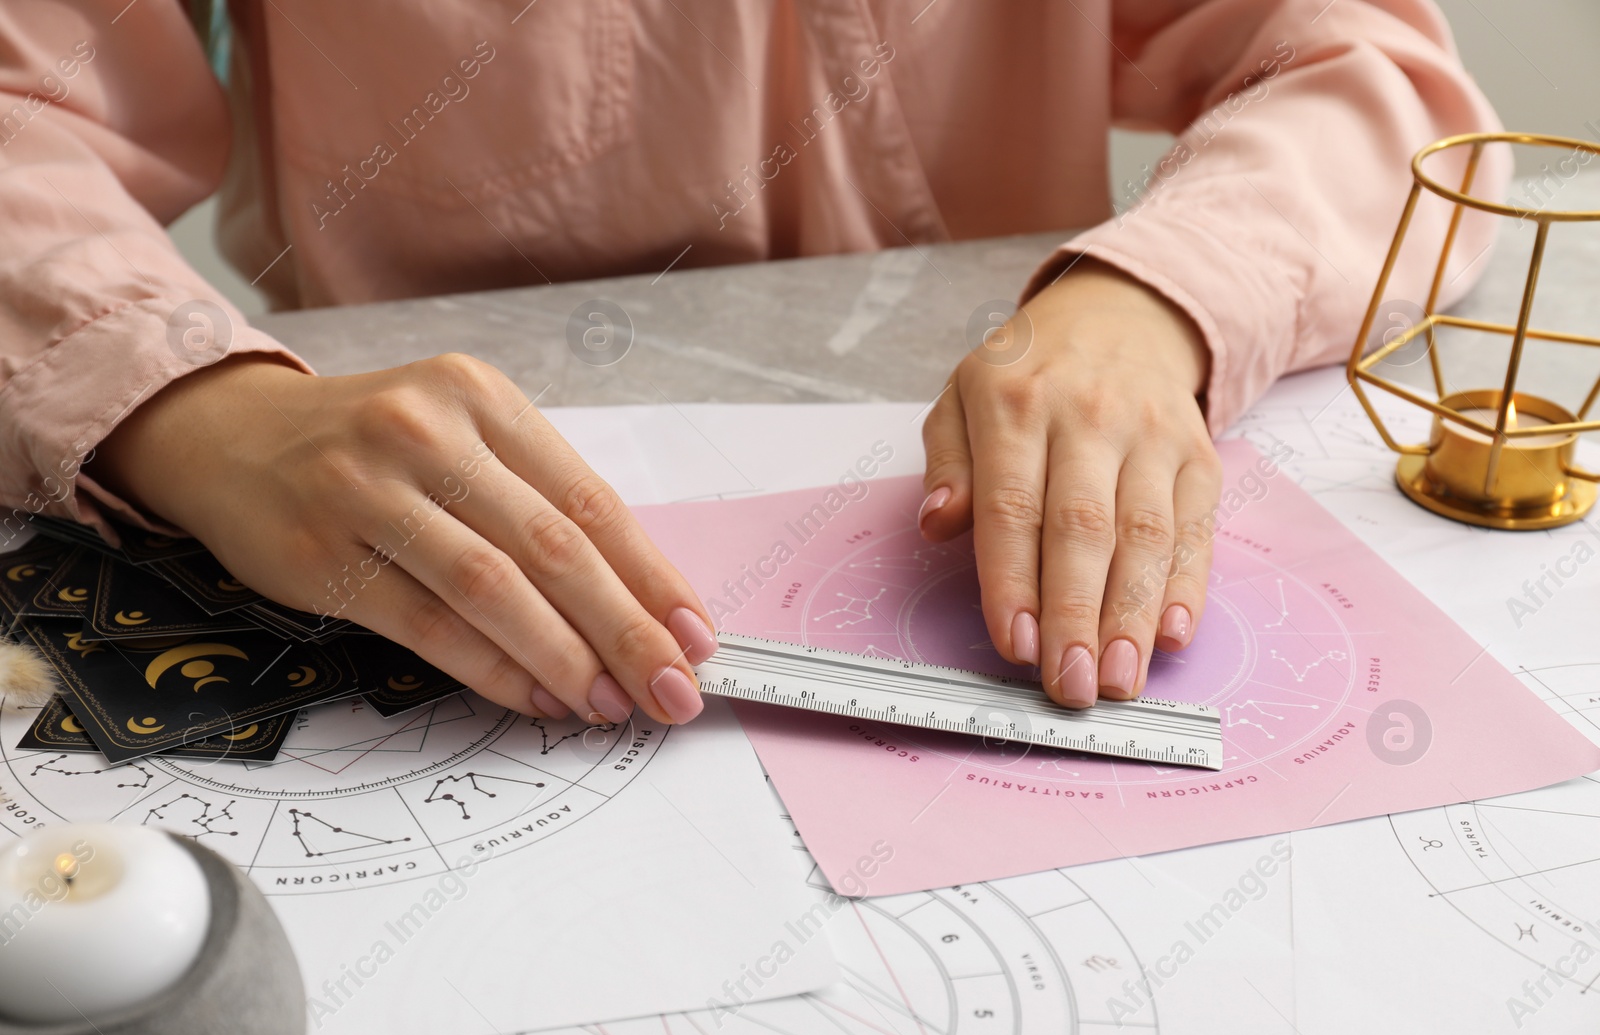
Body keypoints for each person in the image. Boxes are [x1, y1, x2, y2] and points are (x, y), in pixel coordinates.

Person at [0, 1, 1504, 727]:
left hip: (956, 456)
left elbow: (1372, 76)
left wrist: (1153, 303)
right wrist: (196, 406)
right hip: (402, 572)